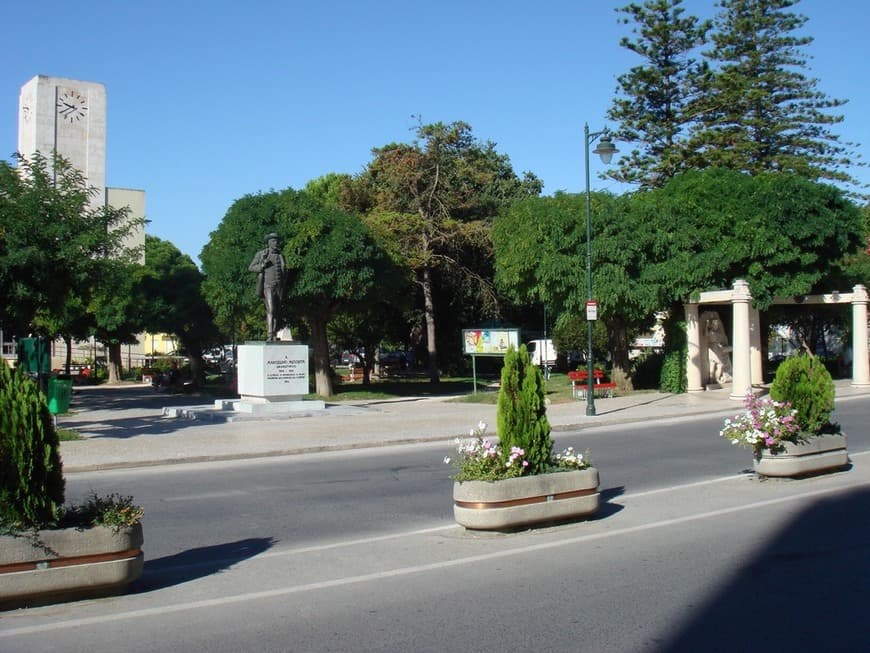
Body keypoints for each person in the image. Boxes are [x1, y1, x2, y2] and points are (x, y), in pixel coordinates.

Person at [248, 233, 287, 341]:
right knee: (271, 309)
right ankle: (270, 334)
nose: (276, 243)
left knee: (277, 311)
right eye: (274, 241)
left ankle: (274, 334)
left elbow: (284, 271)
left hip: (279, 287)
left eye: (277, 241)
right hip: (267, 286)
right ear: (269, 242)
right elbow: (251, 267)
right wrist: (262, 265)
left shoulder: (280, 256)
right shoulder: (262, 254)